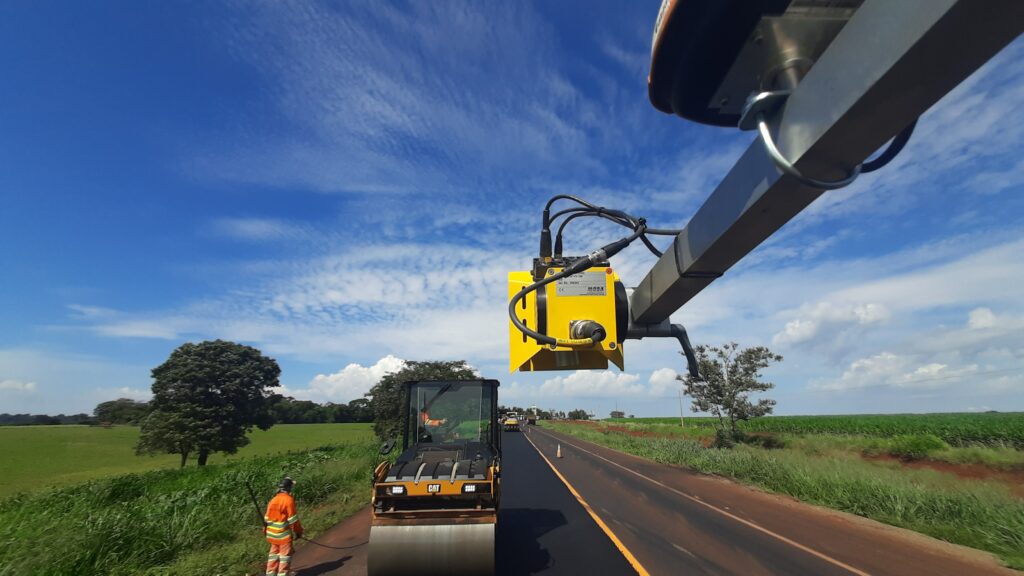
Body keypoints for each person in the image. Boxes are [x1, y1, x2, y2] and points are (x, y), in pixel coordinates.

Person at [264, 476, 303, 576]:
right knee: (285, 557)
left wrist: (265, 531)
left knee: (273, 555)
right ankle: (282, 574)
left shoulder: (273, 500)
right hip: (283, 535)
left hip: (271, 534)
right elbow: (293, 520)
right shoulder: (288, 500)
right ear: (289, 488)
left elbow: (266, 519)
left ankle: (270, 573)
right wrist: (298, 532)